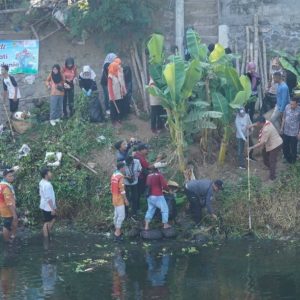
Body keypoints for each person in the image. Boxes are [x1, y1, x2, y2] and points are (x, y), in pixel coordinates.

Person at [248, 116, 283, 181]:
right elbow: (257, 124)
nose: (257, 125)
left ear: (261, 123)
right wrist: (251, 125)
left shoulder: (266, 130)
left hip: (275, 145)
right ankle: (270, 166)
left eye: (258, 123)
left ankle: (272, 177)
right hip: (271, 143)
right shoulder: (267, 122)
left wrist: (251, 147)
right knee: (264, 154)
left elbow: (261, 143)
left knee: (272, 160)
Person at [111, 162, 129, 241]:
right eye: (124, 167)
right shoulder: (120, 177)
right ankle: (117, 233)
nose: (125, 168)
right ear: (121, 168)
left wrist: (124, 177)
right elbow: (122, 190)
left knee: (116, 215)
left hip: (114, 196)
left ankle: (116, 229)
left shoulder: (114, 174)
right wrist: (125, 199)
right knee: (121, 216)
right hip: (119, 198)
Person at [280, 97, 300, 164]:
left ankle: (293, 163)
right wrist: (282, 128)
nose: (291, 106)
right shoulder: (287, 107)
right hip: (286, 131)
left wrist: (299, 133)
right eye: (290, 104)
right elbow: (284, 118)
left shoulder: (299, 110)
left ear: (297, 104)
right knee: (285, 147)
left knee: (293, 148)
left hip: (294, 133)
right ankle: (287, 159)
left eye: (293, 104)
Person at [0, 170, 18, 242]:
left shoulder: (2, 184)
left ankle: (11, 237)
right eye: (9, 176)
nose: (12, 177)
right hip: (7, 209)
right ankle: (7, 241)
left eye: (12, 176)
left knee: (8, 223)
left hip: (3, 207)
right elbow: (9, 202)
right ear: (4, 177)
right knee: (7, 225)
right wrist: (14, 214)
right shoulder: (6, 187)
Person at [39, 168, 57, 238]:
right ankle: (46, 238)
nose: (51, 173)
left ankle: (47, 233)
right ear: (46, 175)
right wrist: (52, 209)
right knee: (47, 222)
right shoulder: (47, 185)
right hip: (48, 207)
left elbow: (41, 194)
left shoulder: (41, 182)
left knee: (52, 219)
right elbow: (48, 198)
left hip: (44, 205)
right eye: (50, 172)